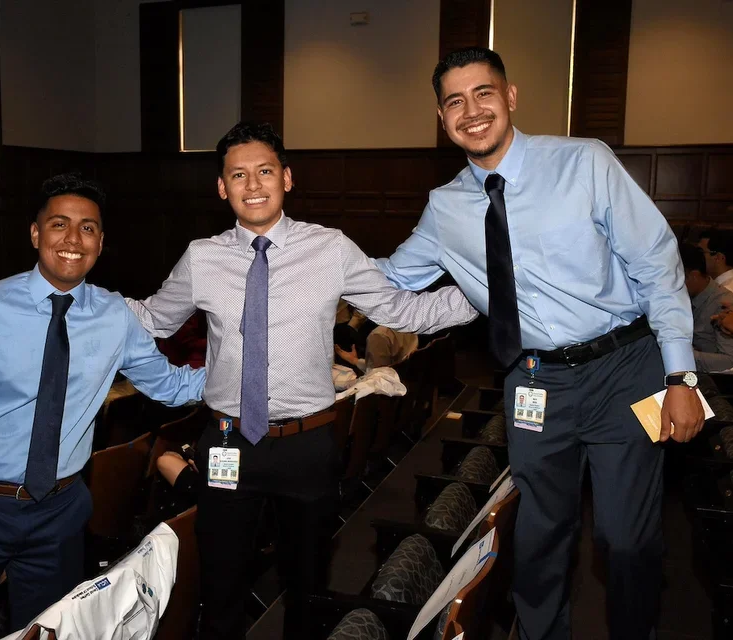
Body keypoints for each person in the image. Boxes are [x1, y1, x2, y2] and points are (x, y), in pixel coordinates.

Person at [375, 47, 705, 640]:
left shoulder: (585, 162)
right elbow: (392, 278)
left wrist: (681, 377)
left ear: (511, 97)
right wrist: (310, 260)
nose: (471, 110)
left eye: (483, 93)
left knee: (626, 540)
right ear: (442, 117)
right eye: (455, 101)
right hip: (533, 383)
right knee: (540, 535)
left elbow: (657, 266)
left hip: (624, 367)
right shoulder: (445, 208)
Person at [126, 121, 477, 639]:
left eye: (265, 171)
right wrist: (80, 303)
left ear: (287, 178)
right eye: (238, 175)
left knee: (307, 587)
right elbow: (153, 318)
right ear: (222, 187)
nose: (253, 185)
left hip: (307, 444)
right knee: (220, 590)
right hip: (229, 445)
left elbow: (401, 307)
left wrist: (485, 294)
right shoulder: (202, 257)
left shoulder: (331, 249)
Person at [0, 172, 206, 640]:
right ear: (35, 233)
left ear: (101, 242)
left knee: (49, 632)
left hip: (59, 511)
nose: (73, 239)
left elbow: (168, 385)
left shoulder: (115, 317)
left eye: (87, 228)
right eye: (59, 224)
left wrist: (246, 377)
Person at [679, 243, 733, 372]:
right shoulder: (689, 296)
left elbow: (731, 361)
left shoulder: (724, 304)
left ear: (693, 276)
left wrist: (680, 355)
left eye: (674, 279)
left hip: (715, 382)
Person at [697, 229, 733, 306]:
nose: (696, 256)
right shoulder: (720, 285)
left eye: (701, 252)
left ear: (719, 257)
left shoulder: (730, 292)